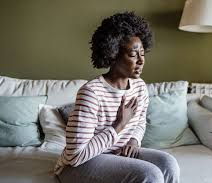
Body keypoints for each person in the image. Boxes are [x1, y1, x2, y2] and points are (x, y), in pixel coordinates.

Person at [54, 11, 180, 183]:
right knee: (150, 175)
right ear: (113, 55)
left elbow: (140, 122)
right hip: (78, 165)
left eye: (142, 53)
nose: (141, 60)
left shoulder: (139, 87)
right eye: (133, 54)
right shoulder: (91, 93)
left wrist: (134, 141)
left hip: (117, 154)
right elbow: (75, 156)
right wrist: (119, 125)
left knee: (169, 164)